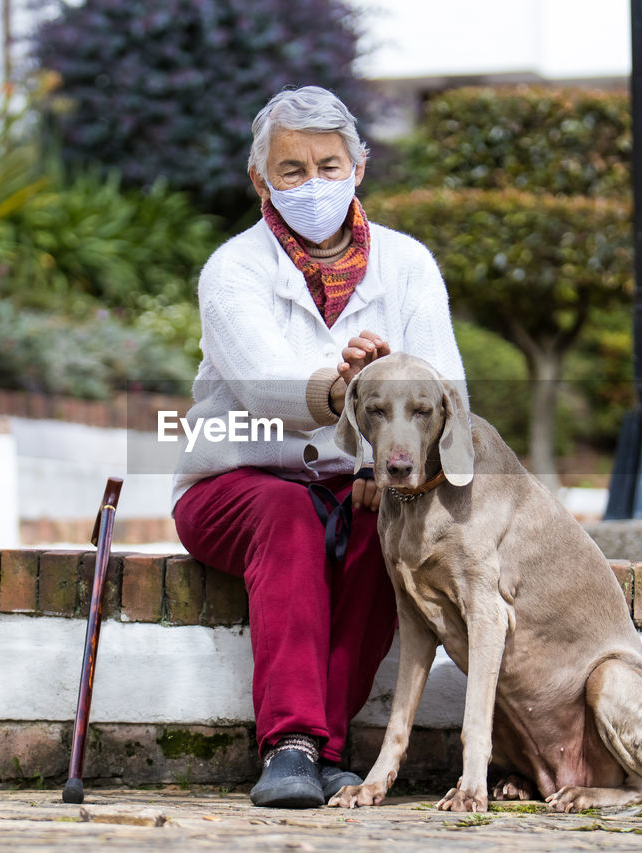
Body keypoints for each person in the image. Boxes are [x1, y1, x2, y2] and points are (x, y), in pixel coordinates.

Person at [171, 85, 467, 809]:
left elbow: (447, 390)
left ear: (359, 167)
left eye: (329, 166)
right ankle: (293, 744)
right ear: (260, 180)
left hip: (360, 476)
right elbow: (270, 392)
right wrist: (348, 390)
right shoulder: (233, 270)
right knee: (289, 513)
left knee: (386, 521)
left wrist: (376, 460)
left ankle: (328, 750)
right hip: (234, 480)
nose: (313, 185)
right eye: (292, 170)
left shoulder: (406, 265)